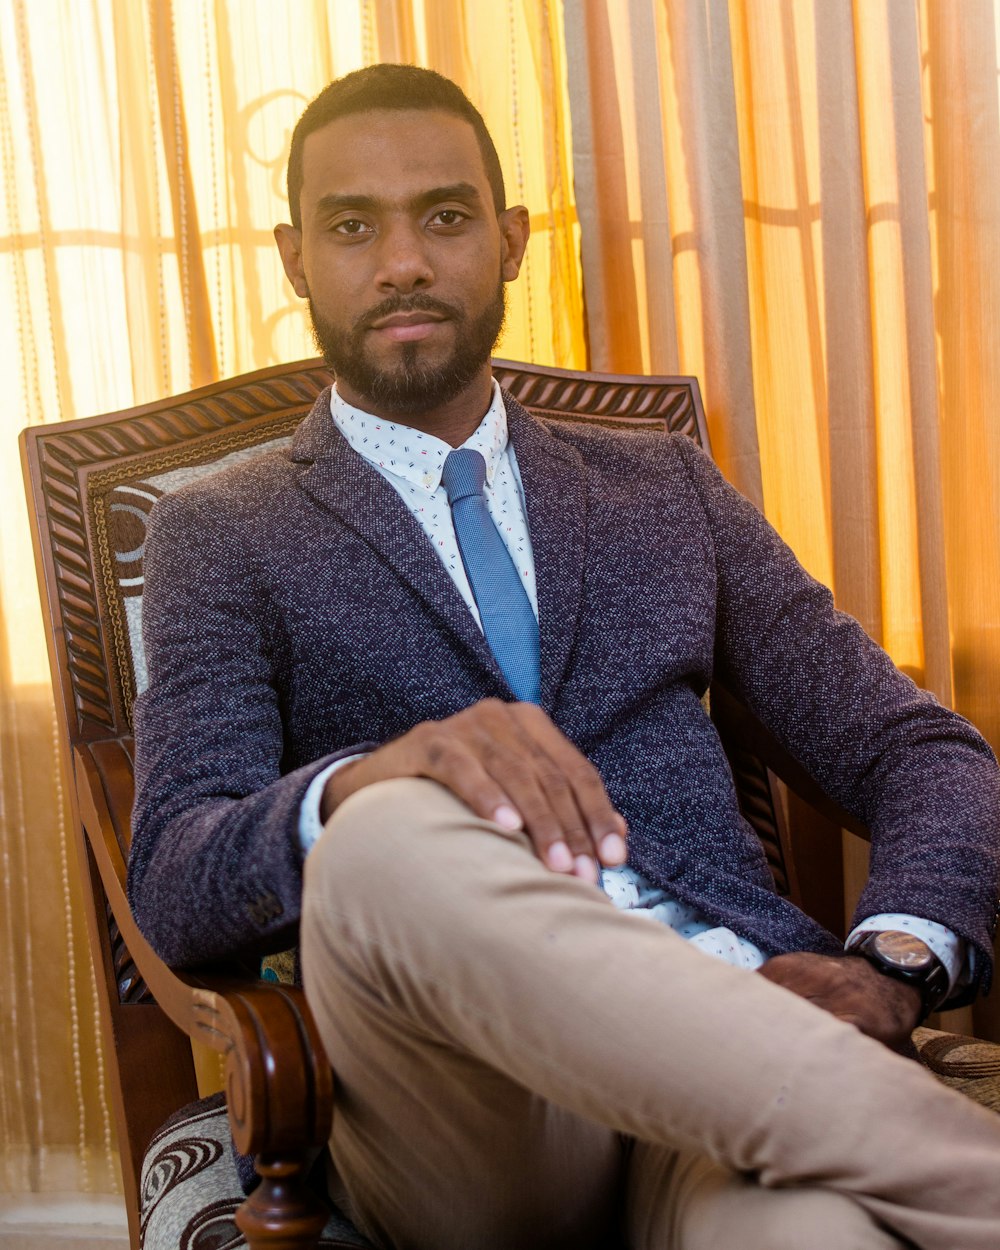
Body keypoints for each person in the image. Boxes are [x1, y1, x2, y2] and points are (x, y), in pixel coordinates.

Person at [128, 64, 1000, 1250]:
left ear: (511, 239)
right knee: (384, 831)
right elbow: (177, 874)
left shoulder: (662, 486)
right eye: (350, 226)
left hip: (733, 1087)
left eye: (443, 216)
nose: (402, 263)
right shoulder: (217, 530)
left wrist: (891, 960)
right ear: (293, 259)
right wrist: (366, 781)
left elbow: (919, 748)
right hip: (468, 1121)